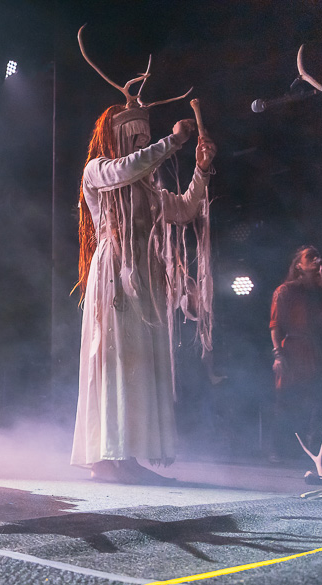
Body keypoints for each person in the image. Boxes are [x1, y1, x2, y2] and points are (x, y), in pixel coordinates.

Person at [70, 102, 216, 483]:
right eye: (135, 138)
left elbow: (184, 209)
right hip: (114, 275)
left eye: (145, 138)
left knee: (137, 365)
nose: (141, 144)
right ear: (118, 137)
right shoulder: (98, 170)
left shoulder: (149, 191)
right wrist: (172, 142)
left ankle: (128, 454)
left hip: (143, 279)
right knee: (113, 360)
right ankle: (106, 458)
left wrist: (201, 170)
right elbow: (125, 169)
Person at [269, 246, 322, 462]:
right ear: (299, 265)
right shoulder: (285, 291)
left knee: (318, 400)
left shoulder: (321, 292)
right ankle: (280, 450)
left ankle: (314, 450)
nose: (316, 259)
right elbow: (275, 326)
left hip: (316, 350)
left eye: (317, 255)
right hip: (293, 350)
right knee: (288, 401)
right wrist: (278, 355)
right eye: (310, 257)